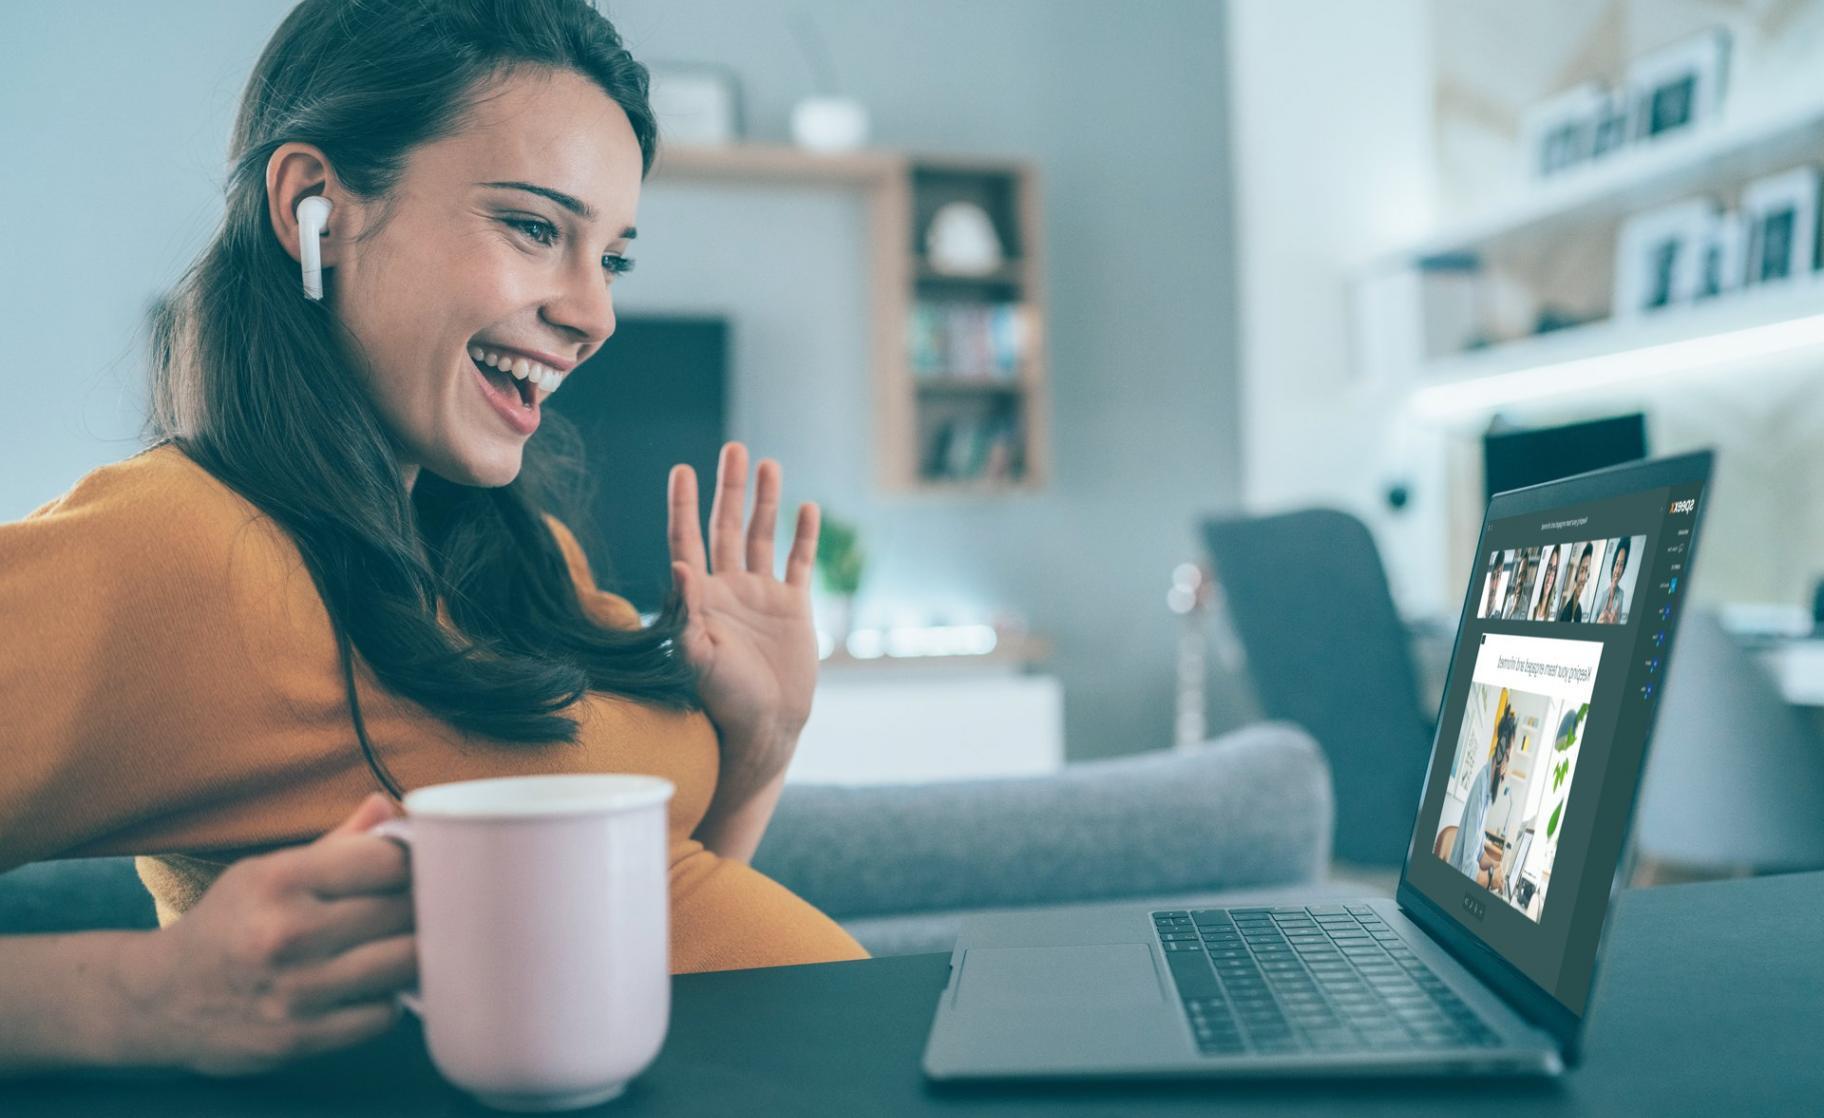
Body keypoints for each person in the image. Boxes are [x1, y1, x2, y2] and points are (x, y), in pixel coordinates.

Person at [0, 0, 864, 1075]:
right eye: (537, 228)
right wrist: (146, 997)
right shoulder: (179, 548)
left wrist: (764, 741)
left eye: (615, 259)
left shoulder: (524, 557)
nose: (595, 314)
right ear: (315, 203)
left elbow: (655, 926)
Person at [1446, 706, 1516, 890]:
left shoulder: (1487, 791)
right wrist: (1492, 878)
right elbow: (1468, 870)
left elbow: (1478, 855)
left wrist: (1494, 865)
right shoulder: (1481, 784)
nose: (1507, 766)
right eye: (1507, 757)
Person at [1593, 536, 1632, 624]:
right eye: (1617, 564)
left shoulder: (1622, 596)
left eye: (1621, 565)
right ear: (1613, 565)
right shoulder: (1600, 593)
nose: (1617, 571)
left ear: (1623, 570)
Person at [1557, 542, 1596, 623]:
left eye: (1587, 572)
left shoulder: (1587, 610)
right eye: (1582, 570)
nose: (1584, 578)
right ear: (1577, 574)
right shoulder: (1566, 609)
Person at [1529, 544, 1562, 622]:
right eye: (1549, 568)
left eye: (1554, 570)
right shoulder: (1532, 606)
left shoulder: (1553, 613)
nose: (1550, 577)